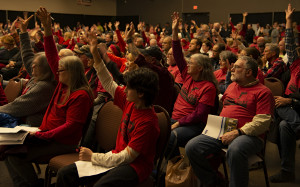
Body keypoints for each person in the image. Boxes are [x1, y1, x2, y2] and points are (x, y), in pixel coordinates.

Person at [4, 7, 94, 187]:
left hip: (61, 142)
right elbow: (52, 55)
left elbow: (70, 127)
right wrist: (46, 27)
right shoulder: (63, 84)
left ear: (73, 72)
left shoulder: (81, 95)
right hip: (45, 134)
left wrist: (41, 136)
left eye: (61, 70)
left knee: (13, 153)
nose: (57, 72)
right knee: (8, 149)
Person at [56, 35, 160, 187]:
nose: (124, 89)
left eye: (129, 87)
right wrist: (96, 56)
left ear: (141, 93)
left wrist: (94, 157)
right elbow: (108, 82)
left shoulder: (148, 122)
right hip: (116, 156)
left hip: (134, 167)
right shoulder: (130, 102)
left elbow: (126, 158)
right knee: (65, 174)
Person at [185, 55, 274, 187]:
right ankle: (213, 182)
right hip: (224, 129)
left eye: (236, 67)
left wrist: (238, 132)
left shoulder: (263, 92)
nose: (231, 69)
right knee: (192, 147)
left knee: (235, 149)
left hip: (249, 135)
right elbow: (222, 106)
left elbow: (263, 122)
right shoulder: (232, 86)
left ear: (248, 72)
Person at [165, 12, 217, 159]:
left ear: (200, 68)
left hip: (192, 125)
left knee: (169, 137)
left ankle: (175, 167)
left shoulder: (208, 87)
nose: (186, 64)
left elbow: (200, 115)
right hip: (175, 119)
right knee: (149, 128)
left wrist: (178, 123)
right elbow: (177, 53)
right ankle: (171, 165)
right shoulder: (187, 75)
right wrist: (175, 30)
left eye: (191, 63)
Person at [0, 15, 56, 127]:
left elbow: (18, 107)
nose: (32, 67)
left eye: (36, 66)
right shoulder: (38, 76)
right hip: (22, 121)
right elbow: (27, 55)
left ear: (45, 69)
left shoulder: (44, 86)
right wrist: (23, 31)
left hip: (32, 128)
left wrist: (47, 28)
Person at [269, 3, 300, 183]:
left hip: (296, 107)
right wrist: (288, 21)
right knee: (280, 118)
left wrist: (290, 103)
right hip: (289, 108)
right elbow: (289, 44)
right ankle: (287, 170)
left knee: (283, 123)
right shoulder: (296, 66)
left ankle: (287, 170)